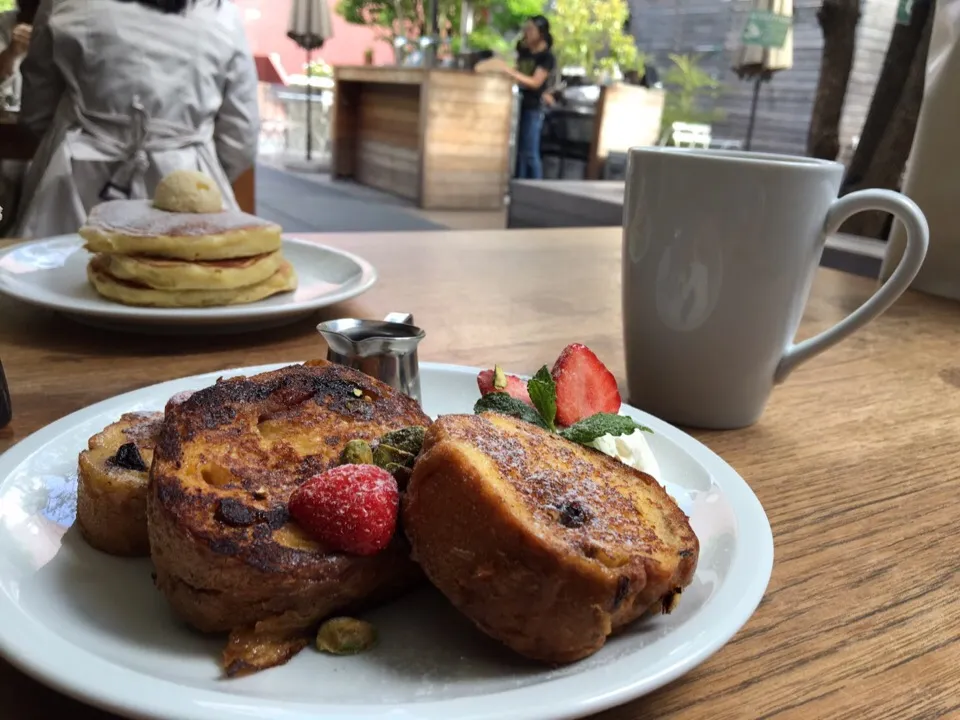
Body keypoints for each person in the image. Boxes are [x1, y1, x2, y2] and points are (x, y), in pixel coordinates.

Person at [12, 0, 259, 238]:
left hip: (74, 181)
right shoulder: (223, 16)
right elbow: (240, 138)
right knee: (183, 275)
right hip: (186, 186)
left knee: (62, 275)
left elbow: (36, 111)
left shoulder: (64, 4)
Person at [507, 16, 556, 180]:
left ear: (541, 34)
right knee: (519, 152)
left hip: (533, 108)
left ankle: (536, 188)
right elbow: (517, 71)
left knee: (530, 152)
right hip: (518, 104)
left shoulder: (546, 57)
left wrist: (512, 73)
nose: (526, 33)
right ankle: (520, 187)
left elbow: (535, 82)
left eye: (530, 30)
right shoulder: (524, 51)